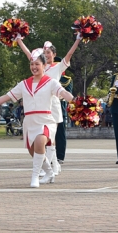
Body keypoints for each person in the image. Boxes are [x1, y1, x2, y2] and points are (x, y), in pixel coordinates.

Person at [0, 49, 74, 187]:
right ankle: (49, 173)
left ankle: (34, 177)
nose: (34, 67)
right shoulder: (24, 84)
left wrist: (73, 100)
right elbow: (7, 96)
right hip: (29, 122)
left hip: (46, 120)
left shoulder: (51, 82)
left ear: (44, 66)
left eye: (37, 64)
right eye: (32, 64)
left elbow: (63, 92)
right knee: (33, 150)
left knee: (40, 141)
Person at [15, 34, 82, 174]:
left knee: (52, 137)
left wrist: (77, 39)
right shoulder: (38, 66)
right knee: (43, 137)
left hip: (53, 104)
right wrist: (19, 40)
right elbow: (28, 53)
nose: (46, 55)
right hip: (40, 105)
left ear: (53, 54)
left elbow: (69, 54)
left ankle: (49, 167)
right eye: (44, 53)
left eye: (48, 53)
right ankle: (52, 165)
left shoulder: (57, 68)